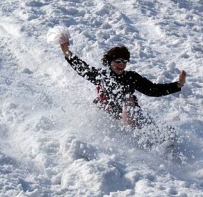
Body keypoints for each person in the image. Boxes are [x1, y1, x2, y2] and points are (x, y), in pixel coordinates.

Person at [58, 33, 186, 129]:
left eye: (124, 62)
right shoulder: (102, 75)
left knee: (129, 99)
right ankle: (130, 134)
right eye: (118, 61)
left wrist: (177, 85)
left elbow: (152, 90)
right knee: (99, 105)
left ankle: (153, 139)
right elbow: (81, 67)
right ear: (109, 62)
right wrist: (66, 52)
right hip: (108, 113)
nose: (121, 65)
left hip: (131, 114)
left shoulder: (131, 77)